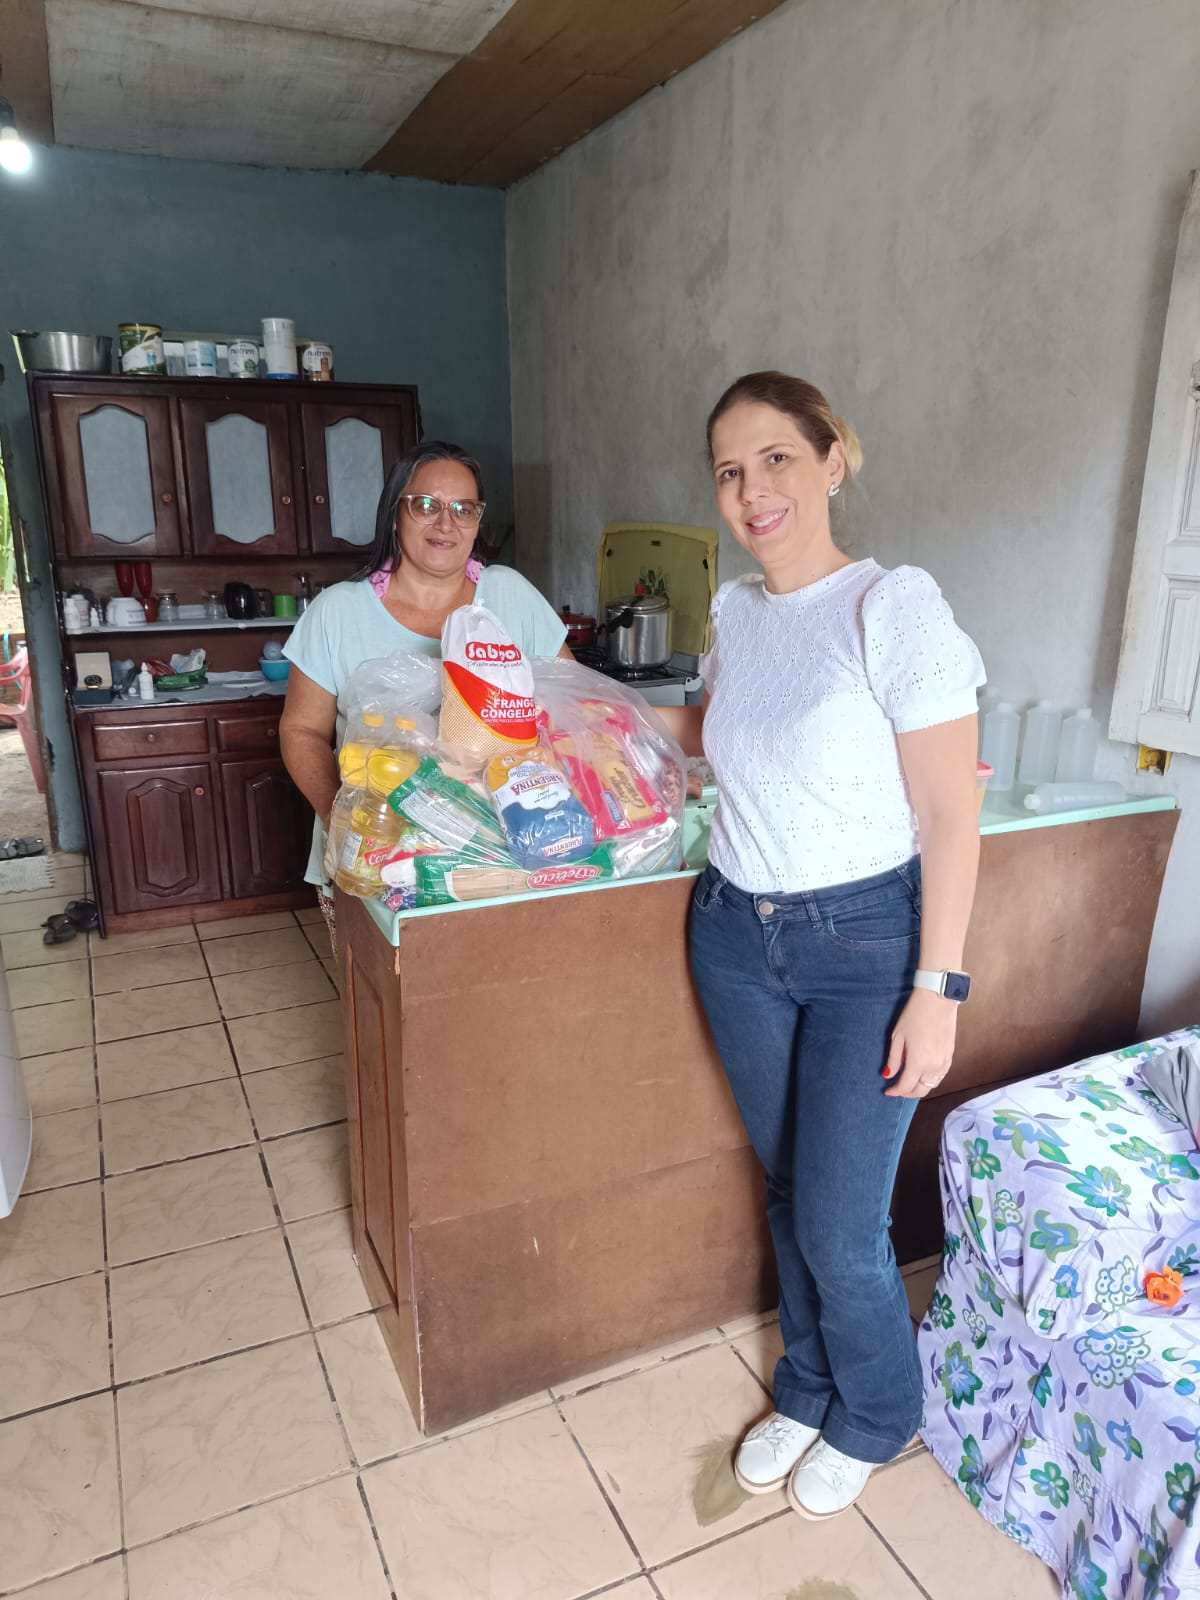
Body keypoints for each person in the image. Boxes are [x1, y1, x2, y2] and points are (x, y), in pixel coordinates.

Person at [661, 372, 985, 1520]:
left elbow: (952, 811)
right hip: (735, 936)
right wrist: (592, 710)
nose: (753, 491)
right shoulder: (738, 612)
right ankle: (806, 1383)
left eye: (777, 460)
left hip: (866, 946)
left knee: (844, 1221)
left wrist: (937, 989)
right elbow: (718, 729)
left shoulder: (892, 605)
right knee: (792, 1190)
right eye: (731, 472)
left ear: (832, 459)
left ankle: (882, 1407)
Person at [280, 440, 570, 936]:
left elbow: (568, 706)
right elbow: (301, 730)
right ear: (396, 514)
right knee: (381, 1005)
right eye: (426, 505)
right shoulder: (338, 611)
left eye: (464, 508)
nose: (446, 523)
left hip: (501, 855)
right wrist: (343, 819)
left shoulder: (511, 595)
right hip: (374, 859)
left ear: (478, 521)